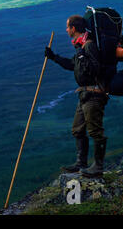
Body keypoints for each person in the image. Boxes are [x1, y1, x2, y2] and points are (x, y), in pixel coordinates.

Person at [45, 15, 109, 178]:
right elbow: (73, 65)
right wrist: (54, 57)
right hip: (84, 94)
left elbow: (95, 69)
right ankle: (81, 162)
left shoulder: (88, 46)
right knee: (77, 129)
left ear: (74, 29)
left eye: (68, 27)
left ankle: (98, 167)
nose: (66, 30)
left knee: (95, 131)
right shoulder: (81, 47)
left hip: (94, 94)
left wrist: (81, 54)